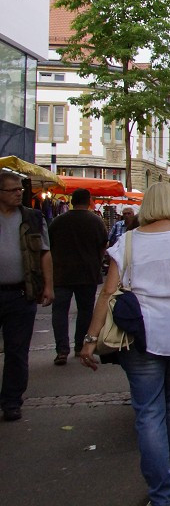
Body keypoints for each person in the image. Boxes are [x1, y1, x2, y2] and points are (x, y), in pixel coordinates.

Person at [79, 182, 170, 506]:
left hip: (141, 333)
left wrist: (90, 339)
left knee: (148, 411)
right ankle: (165, 471)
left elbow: (107, 293)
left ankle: (161, 489)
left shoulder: (128, 241)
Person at [0, 171, 53, 422]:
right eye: (13, 190)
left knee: (17, 351)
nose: (19, 193)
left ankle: (11, 401)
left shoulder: (32, 217)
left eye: (20, 189)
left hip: (21, 292)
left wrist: (48, 286)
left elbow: (44, 253)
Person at [48, 188, 107, 365]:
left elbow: (48, 246)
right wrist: (97, 262)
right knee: (85, 311)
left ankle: (61, 350)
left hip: (61, 273)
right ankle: (80, 345)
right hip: (87, 273)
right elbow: (103, 246)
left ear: (72, 201)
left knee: (59, 311)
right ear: (88, 201)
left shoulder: (58, 221)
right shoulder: (95, 221)